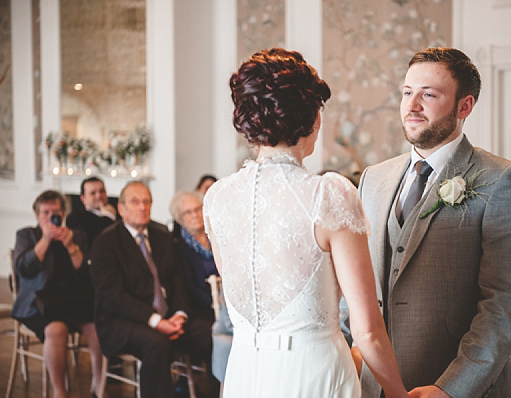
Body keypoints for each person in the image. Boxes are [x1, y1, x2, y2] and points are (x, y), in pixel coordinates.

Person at [203, 48, 409, 398]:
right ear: (312, 118)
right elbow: (367, 330)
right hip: (312, 372)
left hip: (243, 372)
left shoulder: (217, 198)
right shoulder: (327, 196)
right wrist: (399, 394)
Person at [345, 47, 511, 397]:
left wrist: (451, 390)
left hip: (461, 387)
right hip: (375, 386)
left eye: (428, 94)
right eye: (407, 92)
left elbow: (503, 305)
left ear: (465, 106)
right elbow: (356, 279)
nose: (412, 105)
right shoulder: (374, 178)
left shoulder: (503, 180)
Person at [90, 181, 218, 398]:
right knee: (156, 343)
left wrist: (180, 314)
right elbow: (113, 297)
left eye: (146, 202)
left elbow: (177, 281)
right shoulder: (106, 242)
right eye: (135, 202)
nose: (142, 207)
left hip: (168, 317)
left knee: (213, 333)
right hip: (121, 322)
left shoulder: (162, 235)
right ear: (121, 208)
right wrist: (157, 322)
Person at [11, 190, 103, 398]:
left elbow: (86, 273)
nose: (51, 216)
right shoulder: (27, 235)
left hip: (73, 301)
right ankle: (59, 392)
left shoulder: (76, 235)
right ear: (37, 215)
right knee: (56, 329)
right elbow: (23, 268)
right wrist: (45, 240)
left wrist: (71, 246)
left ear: (63, 213)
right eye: (46, 212)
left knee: (99, 327)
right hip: (40, 303)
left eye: (56, 211)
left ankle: (99, 386)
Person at [169, 191, 219, 322]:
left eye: (198, 209)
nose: (195, 215)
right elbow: (188, 286)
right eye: (188, 212)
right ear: (179, 218)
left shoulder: (217, 237)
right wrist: (214, 301)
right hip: (203, 309)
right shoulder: (177, 247)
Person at [66, 176, 116, 245]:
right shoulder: (75, 218)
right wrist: (107, 216)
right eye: (93, 193)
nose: (99, 196)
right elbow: (95, 238)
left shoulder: (117, 212)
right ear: (83, 199)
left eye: (102, 191)